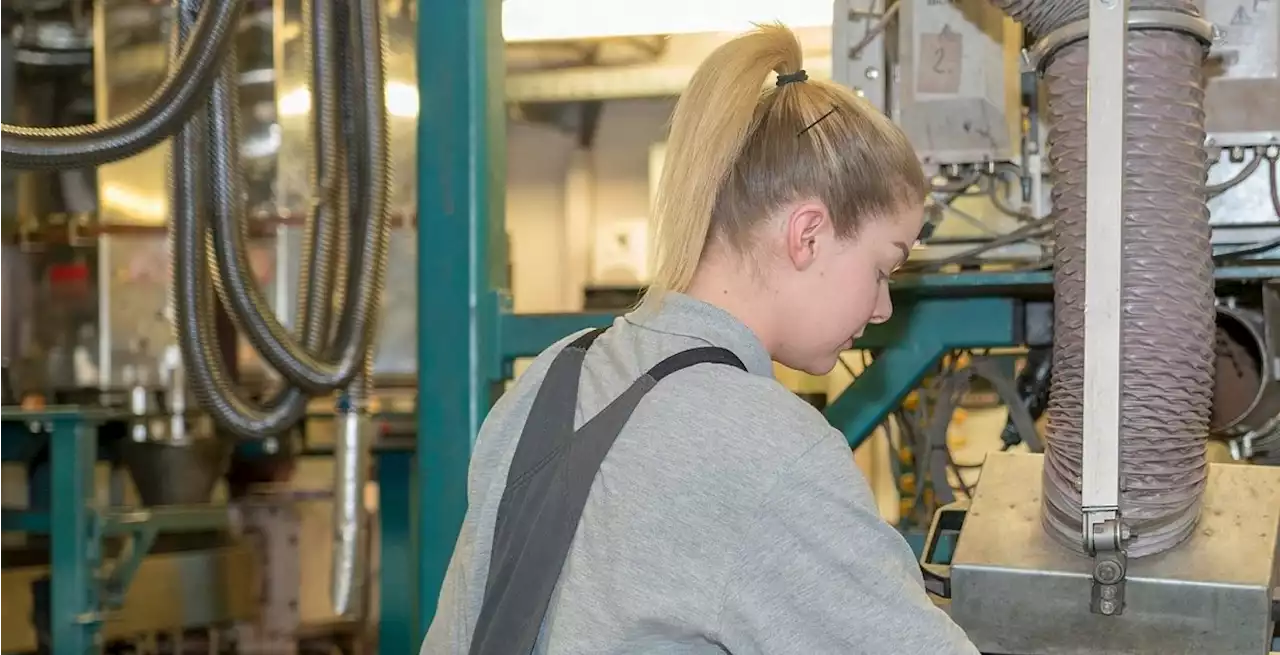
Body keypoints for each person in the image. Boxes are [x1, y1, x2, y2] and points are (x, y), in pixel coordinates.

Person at [422, 23, 979, 655]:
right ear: (808, 235)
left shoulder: (553, 372)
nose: (882, 307)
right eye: (883, 268)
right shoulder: (773, 448)